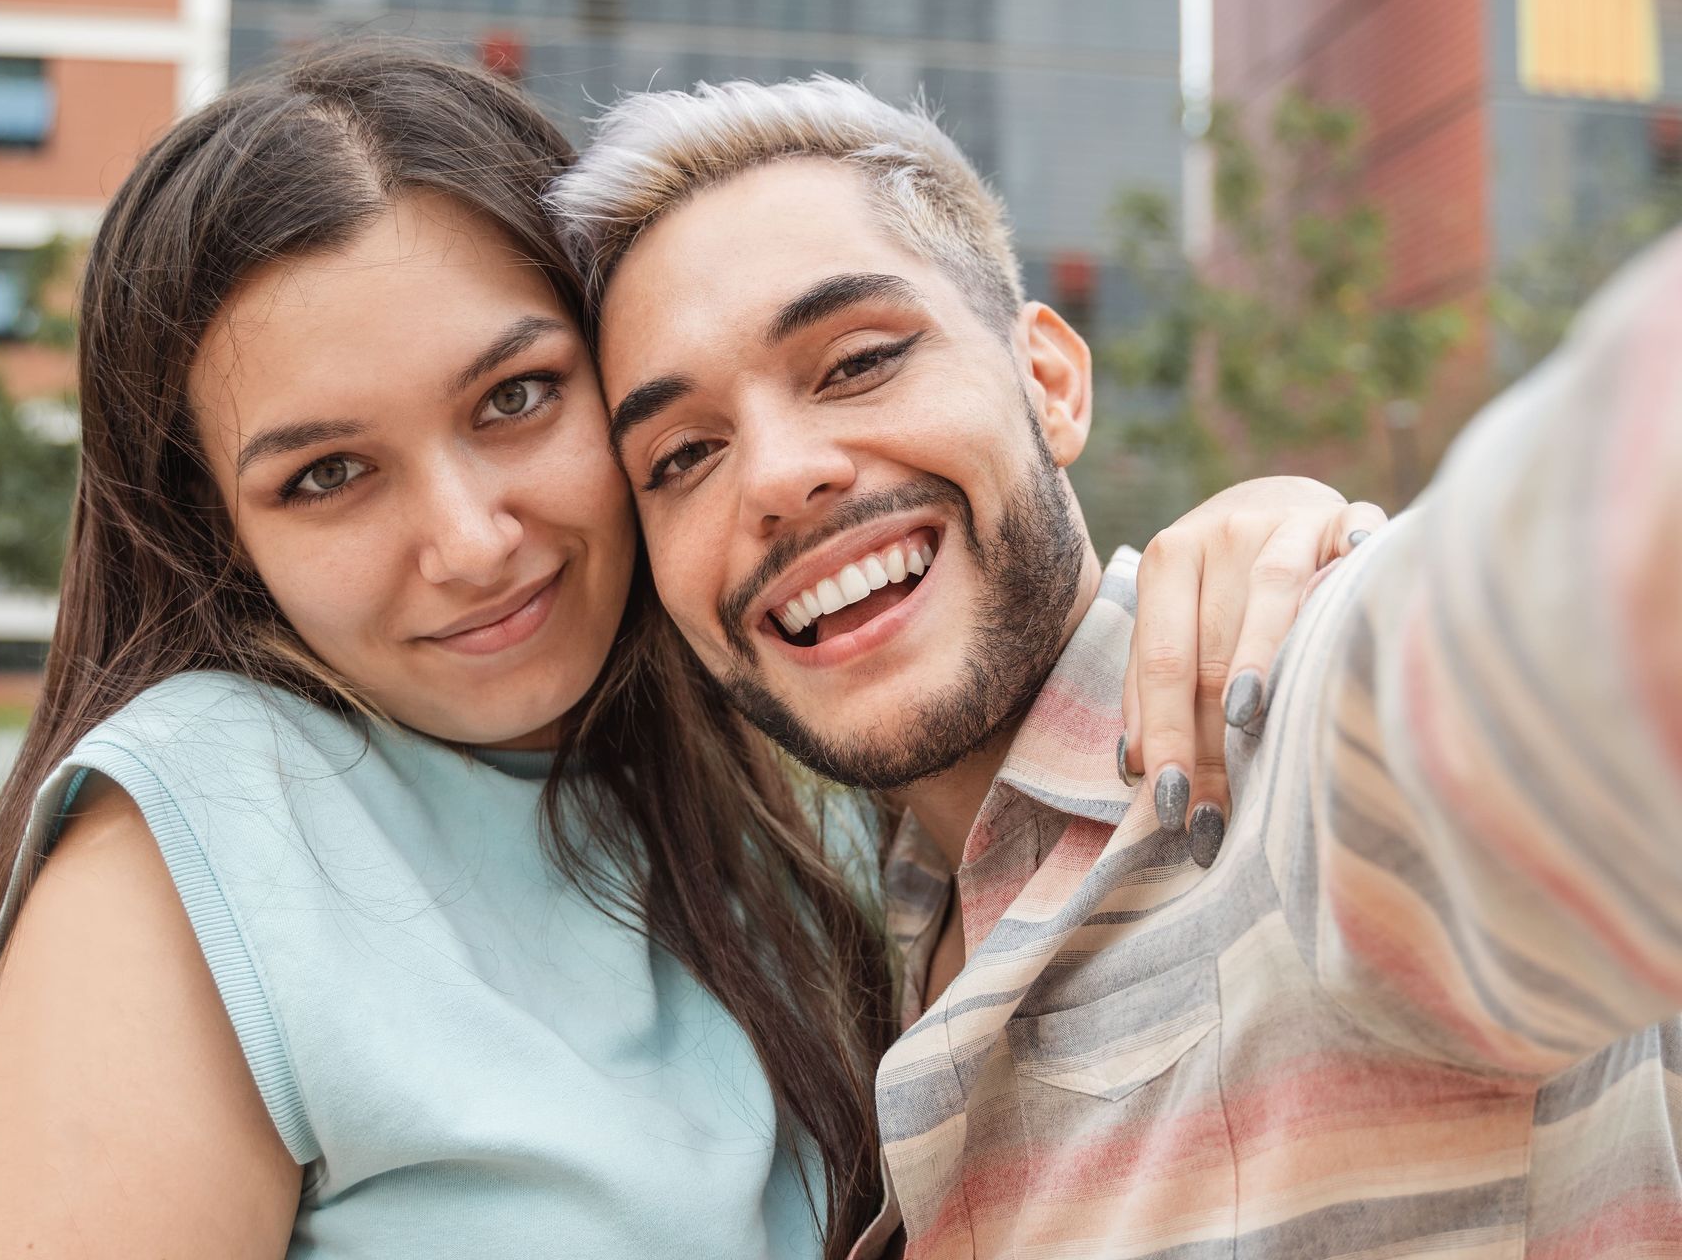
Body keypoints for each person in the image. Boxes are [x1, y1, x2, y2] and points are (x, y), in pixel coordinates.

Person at [0, 45, 1372, 1259]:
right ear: (225, 537)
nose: (467, 538)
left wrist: (1297, 541)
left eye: (517, 398)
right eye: (326, 476)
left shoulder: (803, 821)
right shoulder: (204, 823)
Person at [551, 75, 1682, 1257]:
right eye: (682, 454)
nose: (778, 476)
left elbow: (1562, 615)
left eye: (857, 361)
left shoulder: (1284, 739)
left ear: (1049, 382)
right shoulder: (833, 945)